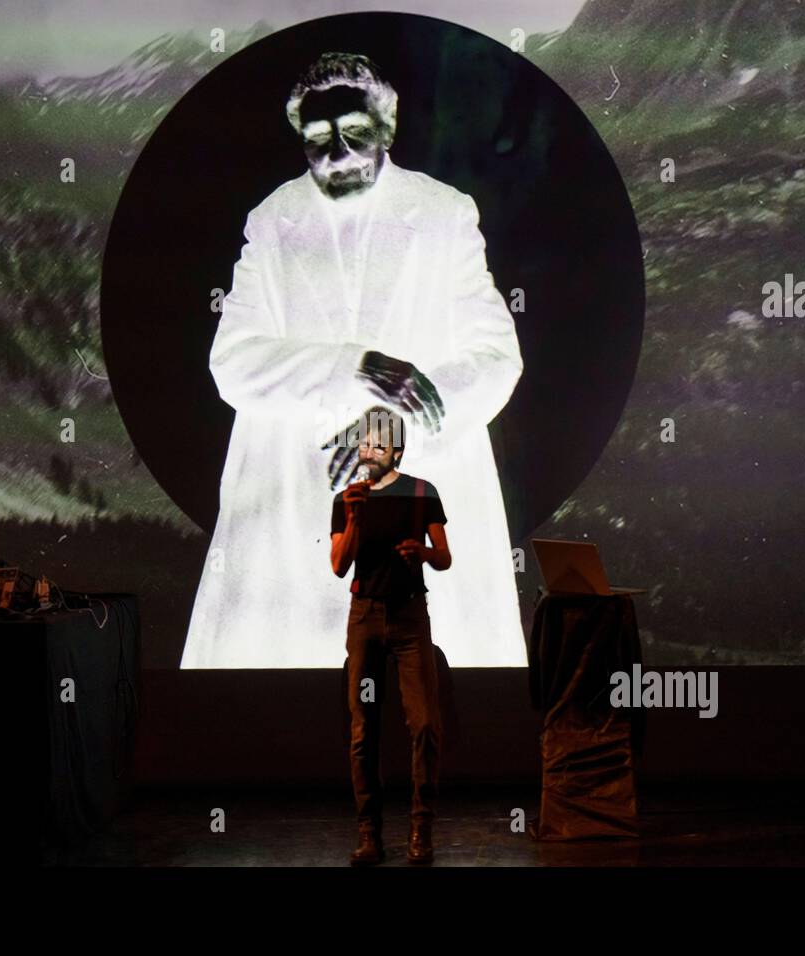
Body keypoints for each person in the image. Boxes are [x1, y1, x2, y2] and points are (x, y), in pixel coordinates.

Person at [181, 51, 524, 668]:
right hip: (294, 502)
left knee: (431, 697)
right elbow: (231, 360)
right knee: (283, 705)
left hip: (420, 489)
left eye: (355, 134)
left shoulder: (445, 214)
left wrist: (398, 423)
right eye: (317, 139)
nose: (336, 153)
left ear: (388, 130)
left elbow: (496, 357)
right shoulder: (272, 220)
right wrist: (356, 366)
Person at [331, 408, 449, 864]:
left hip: (408, 616)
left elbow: (444, 556)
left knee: (424, 724)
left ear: (396, 450)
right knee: (364, 729)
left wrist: (422, 551)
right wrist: (356, 520)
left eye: (376, 446)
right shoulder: (348, 497)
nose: (366, 452)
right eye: (362, 444)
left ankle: (421, 830)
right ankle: (369, 833)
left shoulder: (422, 492)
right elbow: (339, 565)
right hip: (365, 618)